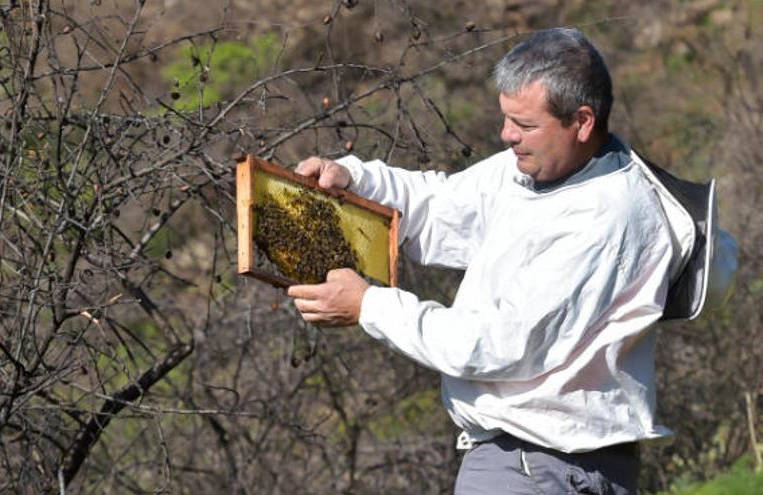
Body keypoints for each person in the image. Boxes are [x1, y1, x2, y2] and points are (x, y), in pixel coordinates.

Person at [286, 27, 691, 494]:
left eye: (525, 124)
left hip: (541, 466)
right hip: (536, 461)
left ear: (582, 121)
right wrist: (355, 179)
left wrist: (370, 307)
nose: (507, 135)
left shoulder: (605, 218)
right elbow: (440, 206)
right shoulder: (532, 169)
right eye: (506, 118)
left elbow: (493, 345)